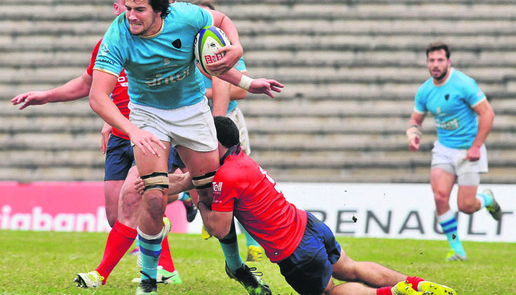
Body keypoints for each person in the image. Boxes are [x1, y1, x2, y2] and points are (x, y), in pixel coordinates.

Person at [90, 0, 283, 295]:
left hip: (192, 112)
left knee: (210, 196)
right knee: (152, 198)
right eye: (128, 9)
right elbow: (97, 96)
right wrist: (132, 129)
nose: (131, 16)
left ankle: (235, 266)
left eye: (139, 10)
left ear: (160, 10)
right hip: (148, 115)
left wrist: (239, 54)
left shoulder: (188, 16)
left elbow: (221, 20)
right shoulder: (117, 34)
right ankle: (149, 278)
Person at [157, 116, 458, 295]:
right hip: (309, 226)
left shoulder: (225, 176)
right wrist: (173, 182)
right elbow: (192, 182)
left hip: (295, 251)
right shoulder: (241, 161)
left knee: (328, 291)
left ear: (217, 143)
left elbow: (219, 228)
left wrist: (196, 192)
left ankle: (391, 293)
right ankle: (415, 285)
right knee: (350, 268)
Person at [11, 0, 183, 287]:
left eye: (133, 6)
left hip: (152, 136)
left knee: (133, 201)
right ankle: (166, 267)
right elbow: (88, 84)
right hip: (120, 137)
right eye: (123, 5)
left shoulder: (167, 42)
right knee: (117, 218)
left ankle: (100, 274)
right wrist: (46, 97)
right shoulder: (109, 44)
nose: (126, 11)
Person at [407, 42, 502, 262]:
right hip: (443, 150)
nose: (436, 64)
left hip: (468, 150)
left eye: (440, 60)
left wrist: (476, 146)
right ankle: (457, 249)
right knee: (440, 197)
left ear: (448, 62)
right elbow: (415, 120)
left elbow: (488, 114)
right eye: (432, 60)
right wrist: (413, 135)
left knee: (466, 206)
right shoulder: (425, 91)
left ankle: (486, 199)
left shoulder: (463, 84)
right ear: (427, 63)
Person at [193, 0, 263, 263]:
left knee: (239, 180)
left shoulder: (220, 44)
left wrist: (207, 92)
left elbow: (240, 90)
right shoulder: (186, 45)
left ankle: (253, 242)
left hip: (227, 120)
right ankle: (203, 210)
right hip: (193, 120)